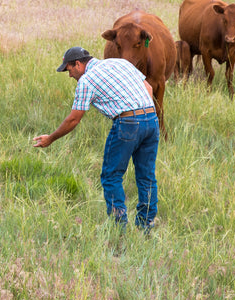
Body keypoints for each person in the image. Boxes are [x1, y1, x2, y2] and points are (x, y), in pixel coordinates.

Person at [33, 46, 159, 230]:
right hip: (151, 119)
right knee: (146, 176)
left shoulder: (87, 81)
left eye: (68, 70)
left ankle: (119, 228)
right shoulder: (119, 63)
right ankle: (146, 225)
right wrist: (144, 115)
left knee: (111, 176)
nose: (69, 76)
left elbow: (74, 119)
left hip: (127, 123)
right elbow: (148, 87)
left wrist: (51, 138)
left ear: (78, 64)